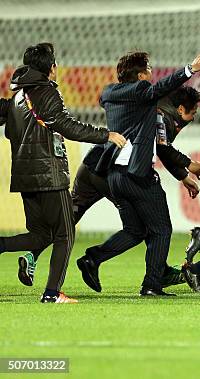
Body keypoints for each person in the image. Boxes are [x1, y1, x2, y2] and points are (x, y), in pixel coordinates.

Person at [16, 86, 200, 288]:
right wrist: (186, 168)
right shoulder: (162, 117)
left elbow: (161, 150)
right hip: (110, 173)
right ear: (182, 109)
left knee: (68, 219)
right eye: (193, 113)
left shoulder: (153, 109)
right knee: (143, 223)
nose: (193, 118)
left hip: (90, 167)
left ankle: (31, 254)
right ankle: (150, 270)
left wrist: (183, 176)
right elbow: (163, 149)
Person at [76, 49, 200, 297]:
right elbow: (160, 89)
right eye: (149, 70)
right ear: (141, 76)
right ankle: (152, 284)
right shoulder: (142, 92)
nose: (151, 74)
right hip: (137, 173)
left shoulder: (109, 93)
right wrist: (190, 69)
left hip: (114, 174)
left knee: (135, 230)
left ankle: (93, 259)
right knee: (161, 229)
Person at [0, 42, 126, 303]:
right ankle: (52, 293)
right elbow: (66, 125)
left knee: (40, 235)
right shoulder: (46, 93)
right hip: (48, 174)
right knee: (65, 235)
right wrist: (105, 135)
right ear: (50, 67)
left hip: (24, 176)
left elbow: (11, 130)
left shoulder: (19, 96)